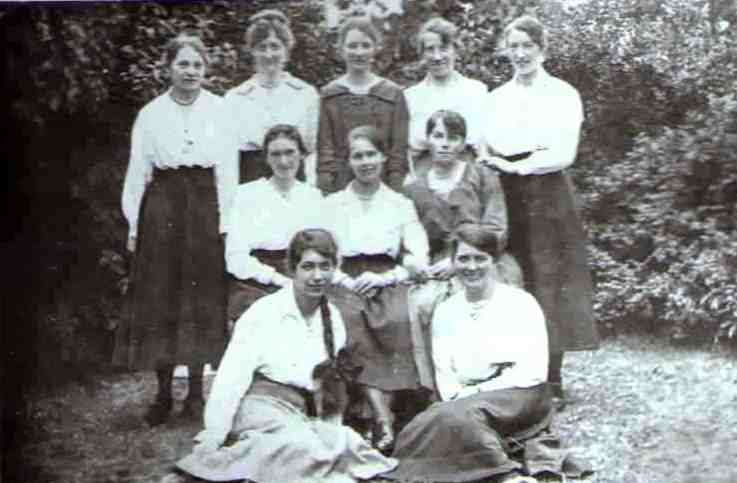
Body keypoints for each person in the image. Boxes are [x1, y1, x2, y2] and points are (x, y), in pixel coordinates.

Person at [169, 229, 398, 483]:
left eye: (325, 267)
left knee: (344, 442)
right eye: (307, 267)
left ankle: (262, 464)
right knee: (308, 448)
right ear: (292, 269)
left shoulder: (332, 318)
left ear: (335, 268)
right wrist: (213, 434)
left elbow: (329, 386)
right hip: (260, 407)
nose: (317, 276)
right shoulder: (264, 313)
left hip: (300, 415)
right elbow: (231, 378)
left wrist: (329, 428)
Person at [384, 225, 589, 483]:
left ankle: (506, 475)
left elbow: (532, 370)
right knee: (419, 426)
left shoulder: (520, 303)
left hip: (520, 394)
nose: (472, 267)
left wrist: (477, 394)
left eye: (480, 259)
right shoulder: (446, 311)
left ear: (494, 261)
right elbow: (445, 373)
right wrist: (461, 397)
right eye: (464, 259)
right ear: (454, 262)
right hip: (465, 400)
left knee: (453, 418)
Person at [114, 34, 237, 426]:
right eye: (183, 64)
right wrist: (135, 224)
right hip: (163, 207)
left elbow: (228, 172)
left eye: (198, 65)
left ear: (206, 70)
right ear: (168, 68)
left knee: (199, 298)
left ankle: (198, 395)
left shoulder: (220, 110)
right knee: (162, 298)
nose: (191, 72)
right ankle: (164, 394)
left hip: (203, 206)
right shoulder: (151, 114)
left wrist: (226, 223)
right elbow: (138, 172)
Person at [480, 15, 599, 403]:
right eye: (513, 46)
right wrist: (499, 166)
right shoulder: (496, 97)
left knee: (551, 278)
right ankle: (515, 373)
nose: (520, 54)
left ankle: (552, 379)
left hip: (547, 190)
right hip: (506, 189)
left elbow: (565, 152)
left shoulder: (563, 93)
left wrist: (521, 167)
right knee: (515, 275)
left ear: (542, 49)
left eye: (527, 46)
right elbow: (486, 143)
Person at [324, 125, 430, 452]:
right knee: (350, 319)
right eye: (358, 155)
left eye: (371, 154)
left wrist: (386, 278)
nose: (365, 162)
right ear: (348, 160)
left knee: (398, 319)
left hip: (387, 278)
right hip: (345, 280)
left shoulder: (399, 203)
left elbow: (418, 253)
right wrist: (345, 280)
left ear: (384, 157)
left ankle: (381, 413)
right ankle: (383, 417)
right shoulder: (333, 204)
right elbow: (321, 252)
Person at [403, 109, 519, 394]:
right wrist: (417, 261)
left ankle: (493, 385)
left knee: (485, 303)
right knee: (422, 304)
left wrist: (460, 261)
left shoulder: (482, 176)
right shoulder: (414, 187)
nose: (444, 144)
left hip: (484, 259)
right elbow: (407, 234)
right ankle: (438, 390)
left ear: (463, 142)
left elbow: (496, 229)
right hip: (436, 266)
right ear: (428, 140)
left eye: (453, 138)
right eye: (438, 136)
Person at [225, 124, 324, 327]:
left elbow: (321, 250)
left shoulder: (313, 197)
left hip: (302, 276)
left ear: (302, 155)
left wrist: (301, 279)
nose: (283, 161)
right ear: (266, 158)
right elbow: (235, 258)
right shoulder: (246, 195)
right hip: (255, 281)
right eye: (275, 154)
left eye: (290, 152)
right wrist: (278, 280)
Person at [224, 9, 320, 185]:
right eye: (262, 47)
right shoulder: (235, 98)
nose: (269, 54)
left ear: (287, 51)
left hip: (294, 184)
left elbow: (314, 151)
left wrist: (310, 189)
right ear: (252, 51)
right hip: (250, 186)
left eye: (275, 46)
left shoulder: (306, 94)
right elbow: (227, 158)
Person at [317, 16, 409, 194]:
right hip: (341, 187)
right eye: (352, 46)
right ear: (341, 50)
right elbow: (325, 151)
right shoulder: (330, 95)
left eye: (366, 45)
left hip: (383, 187)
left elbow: (398, 151)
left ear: (375, 49)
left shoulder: (392, 94)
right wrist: (326, 190)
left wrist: (395, 190)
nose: (359, 52)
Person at [404, 17, 488, 181]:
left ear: (455, 49)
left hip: (468, 177)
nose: (437, 56)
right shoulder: (411, 97)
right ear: (422, 54)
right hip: (425, 178)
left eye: (443, 48)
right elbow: (408, 153)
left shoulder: (476, 91)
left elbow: (483, 146)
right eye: (430, 49)